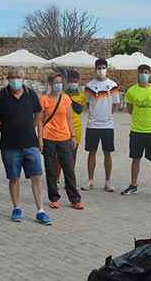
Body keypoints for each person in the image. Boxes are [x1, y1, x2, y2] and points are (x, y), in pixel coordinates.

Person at [0, 67, 52, 225]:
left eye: (18, 77)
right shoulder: (1, 96)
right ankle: (16, 208)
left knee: (36, 177)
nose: (15, 80)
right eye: (12, 77)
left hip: (30, 143)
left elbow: (39, 113)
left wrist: (34, 128)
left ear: (23, 78)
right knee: (14, 178)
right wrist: (2, 128)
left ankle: (40, 210)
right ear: (7, 79)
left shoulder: (31, 94)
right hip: (9, 145)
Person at [41, 72, 84, 210]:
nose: (58, 85)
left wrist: (72, 136)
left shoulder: (65, 99)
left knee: (69, 169)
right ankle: (54, 197)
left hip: (64, 137)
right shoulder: (44, 100)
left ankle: (74, 198)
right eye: (56, 83)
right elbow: (39, 122)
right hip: (48, 137)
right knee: (51, 169)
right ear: (50, 84)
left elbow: (69, 118)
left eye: (60, 82)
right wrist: (39, 139)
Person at [121, 64, 151, 196]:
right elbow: (129, 109)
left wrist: (150, 119)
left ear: (149, 74)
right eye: (141, 72)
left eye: (146, 72)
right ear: (138, 74)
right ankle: (133, 185)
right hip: (136, 131)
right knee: (135, 158)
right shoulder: (131, 91)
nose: (143, 75)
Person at [82, 58, 120, 192]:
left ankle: (108, 181)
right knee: (91, 153)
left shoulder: (113, 85)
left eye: (103, 67)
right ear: (95, 69)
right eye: (99, 68)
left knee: (107, 153)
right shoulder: (89, 86)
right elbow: (87, 104)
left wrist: (108, 116)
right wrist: (93, 114)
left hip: (107, 126)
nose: (101, 70)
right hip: (92, 125)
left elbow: (116, 104)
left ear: (107, 69)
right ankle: (90, 180)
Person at [65, 70, 86, 170]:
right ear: (67, 81)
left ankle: (70, 176)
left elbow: (79, 110)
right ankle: (57, 178)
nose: (74, 83)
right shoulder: (61, 93)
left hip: (76, 127)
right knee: (60, 154)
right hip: (63, 128)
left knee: (73, 153)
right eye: (72, 81)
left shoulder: (81, 94)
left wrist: (70, 99)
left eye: (76, 81)